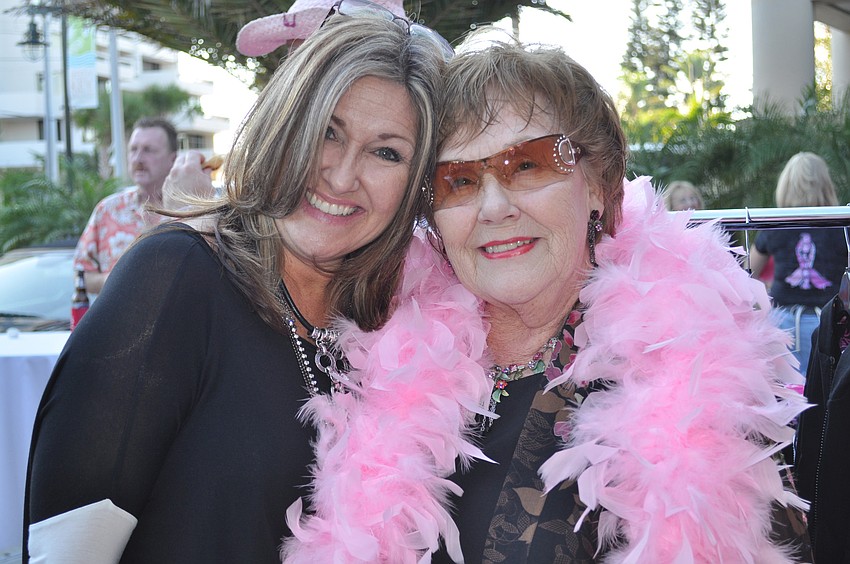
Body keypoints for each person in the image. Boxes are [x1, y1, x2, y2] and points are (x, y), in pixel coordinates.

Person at [278, 37, 813, 562]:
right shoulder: (385, 351)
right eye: (458, 180)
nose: (493, 207)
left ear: (600, 185)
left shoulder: (692, 368)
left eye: (529, 164)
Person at [23, 6, 450, 563]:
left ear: (415, 185)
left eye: (386, 152)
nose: (343, 176)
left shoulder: (391, 335)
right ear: (283, 124)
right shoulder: (175, 280)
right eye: (327, 131)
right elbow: (66, 553)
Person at [749, 152, 848, 376]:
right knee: (826, 394)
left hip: (783, 322)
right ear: (826, 185)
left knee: (789, 396)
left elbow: (747, 273)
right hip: (829, 323)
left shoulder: (775, 224)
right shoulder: (842, 223)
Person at [72, 117, 177, 295]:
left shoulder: (191, 212)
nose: (138, 158)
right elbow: (80, 276)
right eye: (133, 149)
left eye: (148, 150)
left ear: (172, 159)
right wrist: (114, 280)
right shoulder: (107, 210)